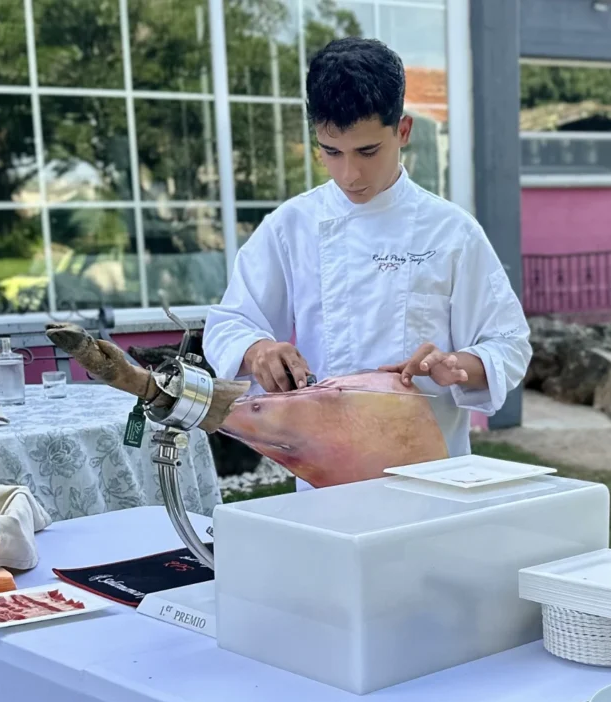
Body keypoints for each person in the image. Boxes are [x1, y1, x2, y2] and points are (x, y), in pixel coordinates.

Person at [202, 37, 532, 487]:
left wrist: (458, 363)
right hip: (322, 477)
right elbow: (228, 322)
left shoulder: (451, 231)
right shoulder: (291, 226)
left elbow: (509, 344)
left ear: (403, 131)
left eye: (367, 152)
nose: (349, 175)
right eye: (331, 152)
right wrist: (258, 350)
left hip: (432, 477)